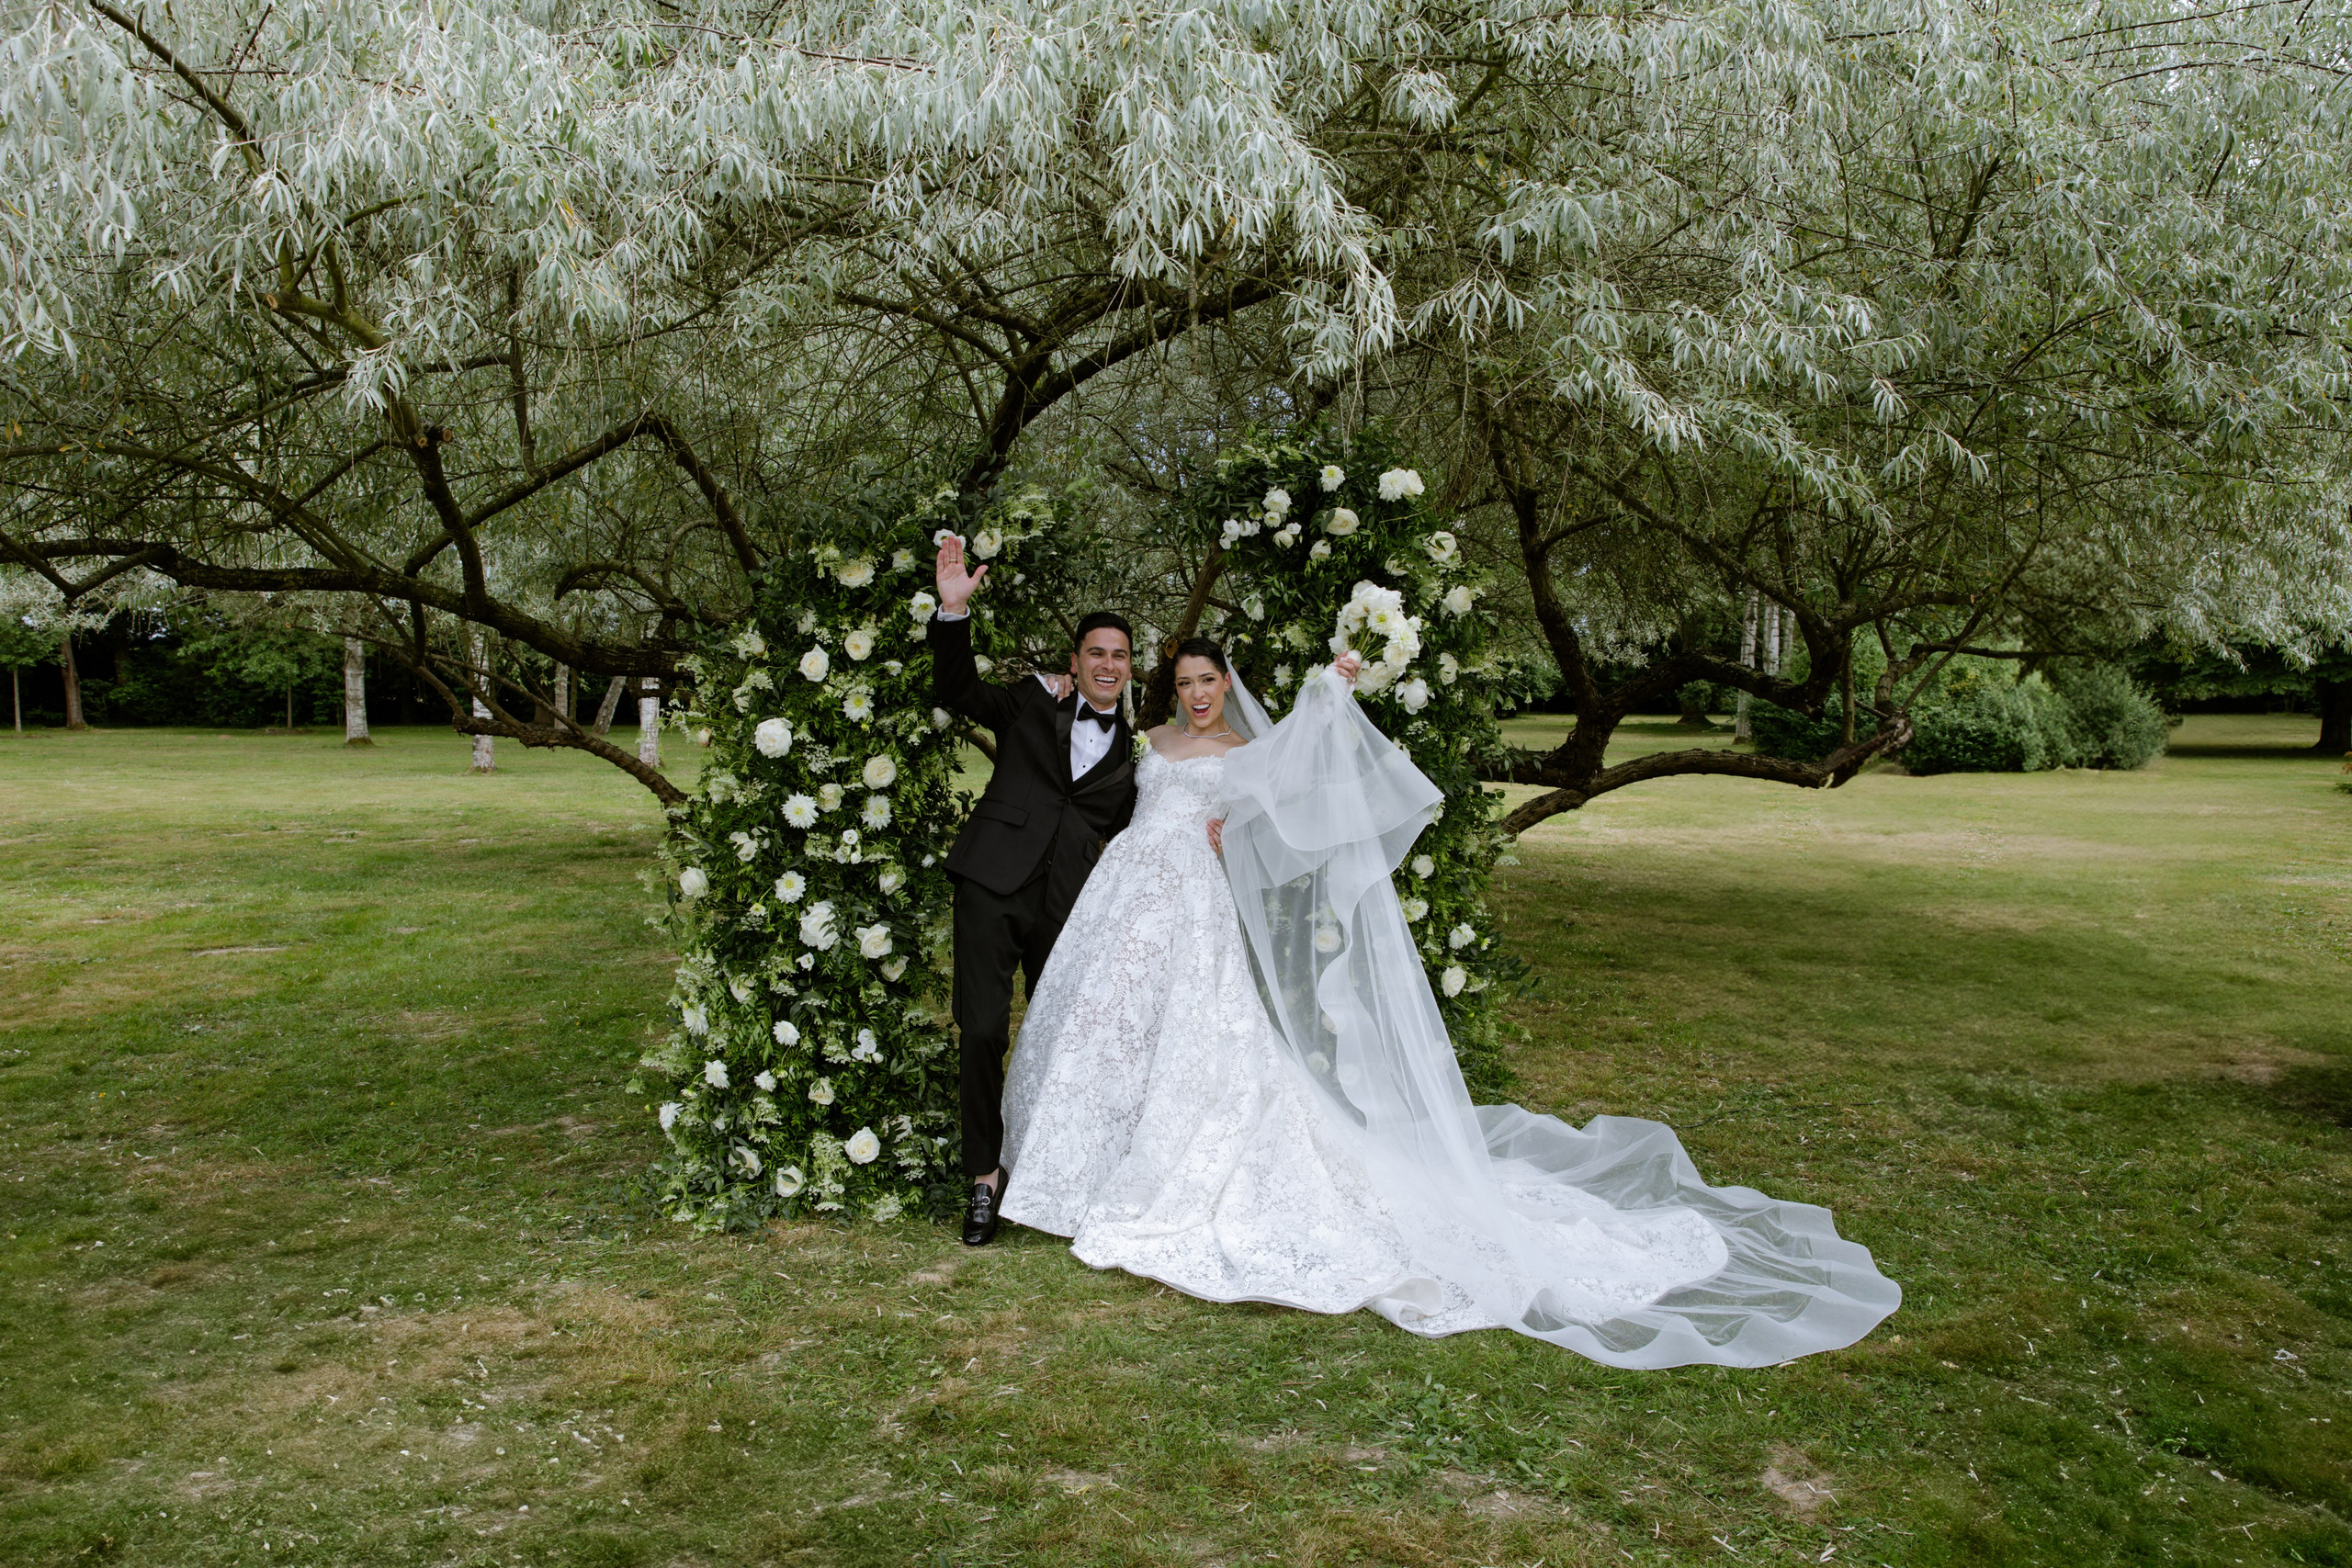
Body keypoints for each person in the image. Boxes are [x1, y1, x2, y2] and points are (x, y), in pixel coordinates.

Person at [997, 637, 1902, 1369]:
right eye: (1186, 682)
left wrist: (1327, 696)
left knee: (1205, 1042)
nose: (1197, 694)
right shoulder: (1149, 739)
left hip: (1194, 907)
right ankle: (1079, 1162)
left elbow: (1301, 776)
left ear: (1226, 686)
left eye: (1209, 681)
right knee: (1110, 1030)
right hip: (1126, 901)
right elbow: (1094, 776)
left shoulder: (1246, 752)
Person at [928, 534, 1138, 1246]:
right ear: (1074, 662)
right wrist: (953, 613)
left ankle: (1050, 1170)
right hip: (992, 882)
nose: (1107, 664)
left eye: (1119, 655)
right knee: (985, 1029)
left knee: (1061, 1040)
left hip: (1068, 909)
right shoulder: (1030, 701)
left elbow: (1140, 831)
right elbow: (958, 691)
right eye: (1095, 652)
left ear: (1129, 668)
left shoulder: (1133, 752)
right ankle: (984, 1177)